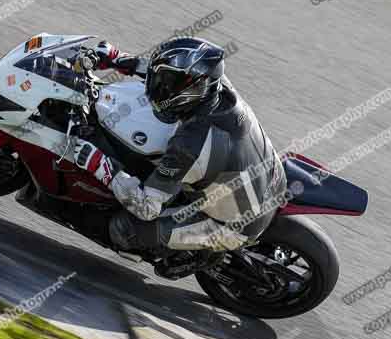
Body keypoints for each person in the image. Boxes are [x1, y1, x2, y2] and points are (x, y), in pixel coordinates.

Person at [72, 37, 286, 255]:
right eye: (162, 80)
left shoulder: (190, 144)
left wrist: (100, 164)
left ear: (192, 88)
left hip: (236, 227)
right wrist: (119, 59)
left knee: (123, 229)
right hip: (275, 179)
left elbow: (147, 208)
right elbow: (174, 75)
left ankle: (172, 255)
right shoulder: (217, 86)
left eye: (167, 84)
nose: (160, 88)